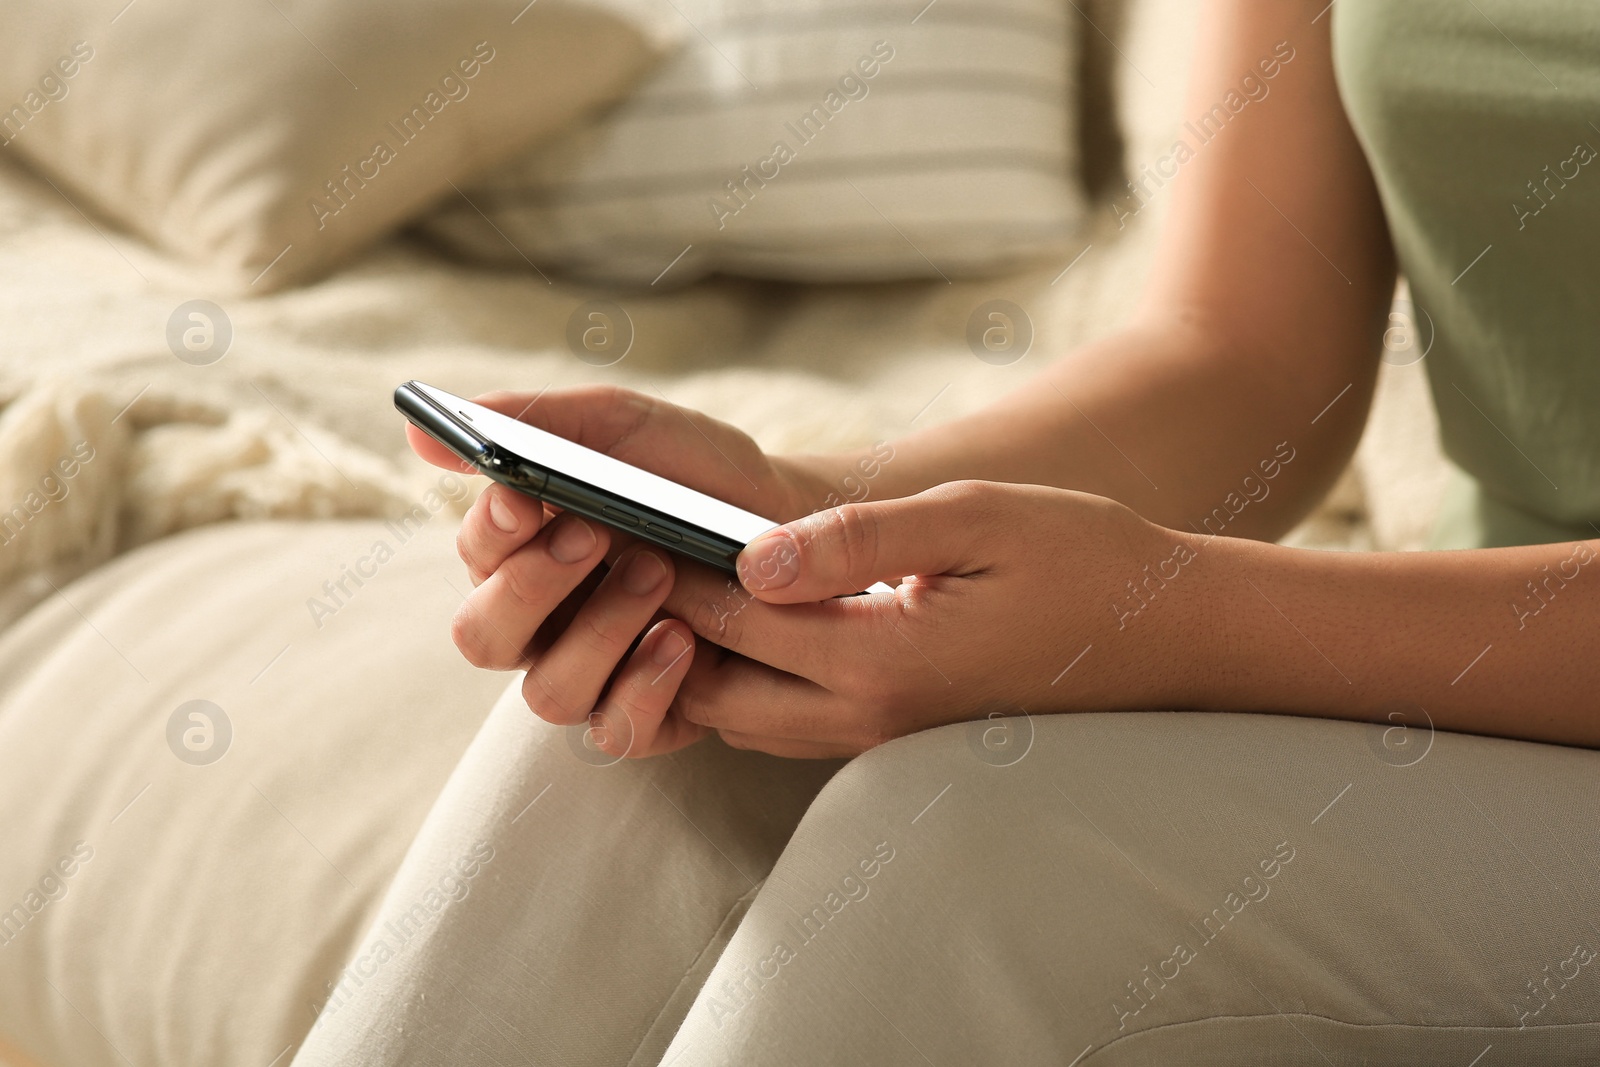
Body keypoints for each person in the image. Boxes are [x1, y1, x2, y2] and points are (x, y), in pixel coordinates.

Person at [312, 0, 1600, 1062]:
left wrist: (1176, 617)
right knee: (676, 734)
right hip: (1460, 653)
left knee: (972, 854)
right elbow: (1241, 358)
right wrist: (816, 512)